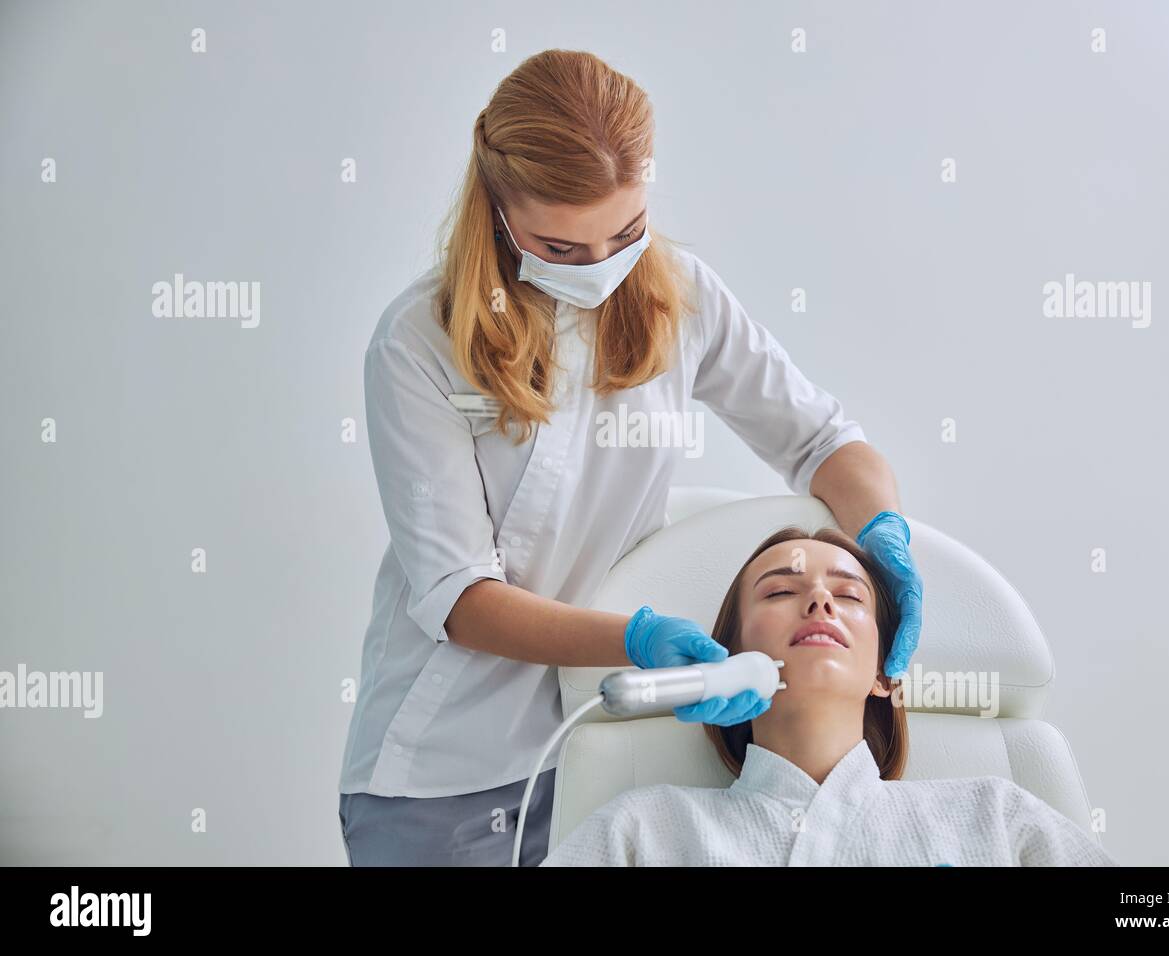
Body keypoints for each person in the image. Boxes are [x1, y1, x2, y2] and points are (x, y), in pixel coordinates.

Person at [337, 49, 921, 866]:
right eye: (562, 247)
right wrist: (639, 640)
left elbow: (825, 442)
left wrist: (885, 536)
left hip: (608, 741)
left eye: (626, 231)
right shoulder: (418, 345)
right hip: (451, 769)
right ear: (498, 211)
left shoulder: (681, 296)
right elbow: (461, 596)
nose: (604, 268)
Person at [541, 526, 1117, 866]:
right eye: (782, 590)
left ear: (884, 674)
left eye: (850, 596)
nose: (820, 601)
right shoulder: (646, 832)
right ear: (729, 653)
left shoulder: (995, 816)